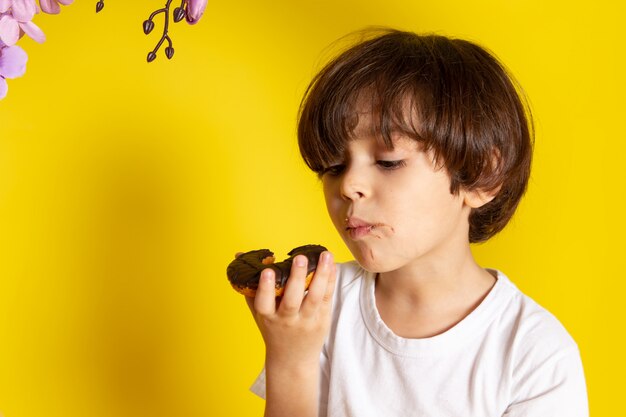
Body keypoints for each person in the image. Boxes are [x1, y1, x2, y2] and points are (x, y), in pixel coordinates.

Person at [243, 28, 588, 417]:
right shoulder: (319, 306)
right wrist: (290, 360)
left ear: (482, 176)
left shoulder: (533, 353)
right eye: (333, 167)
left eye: (388, 162)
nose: (349, 185)